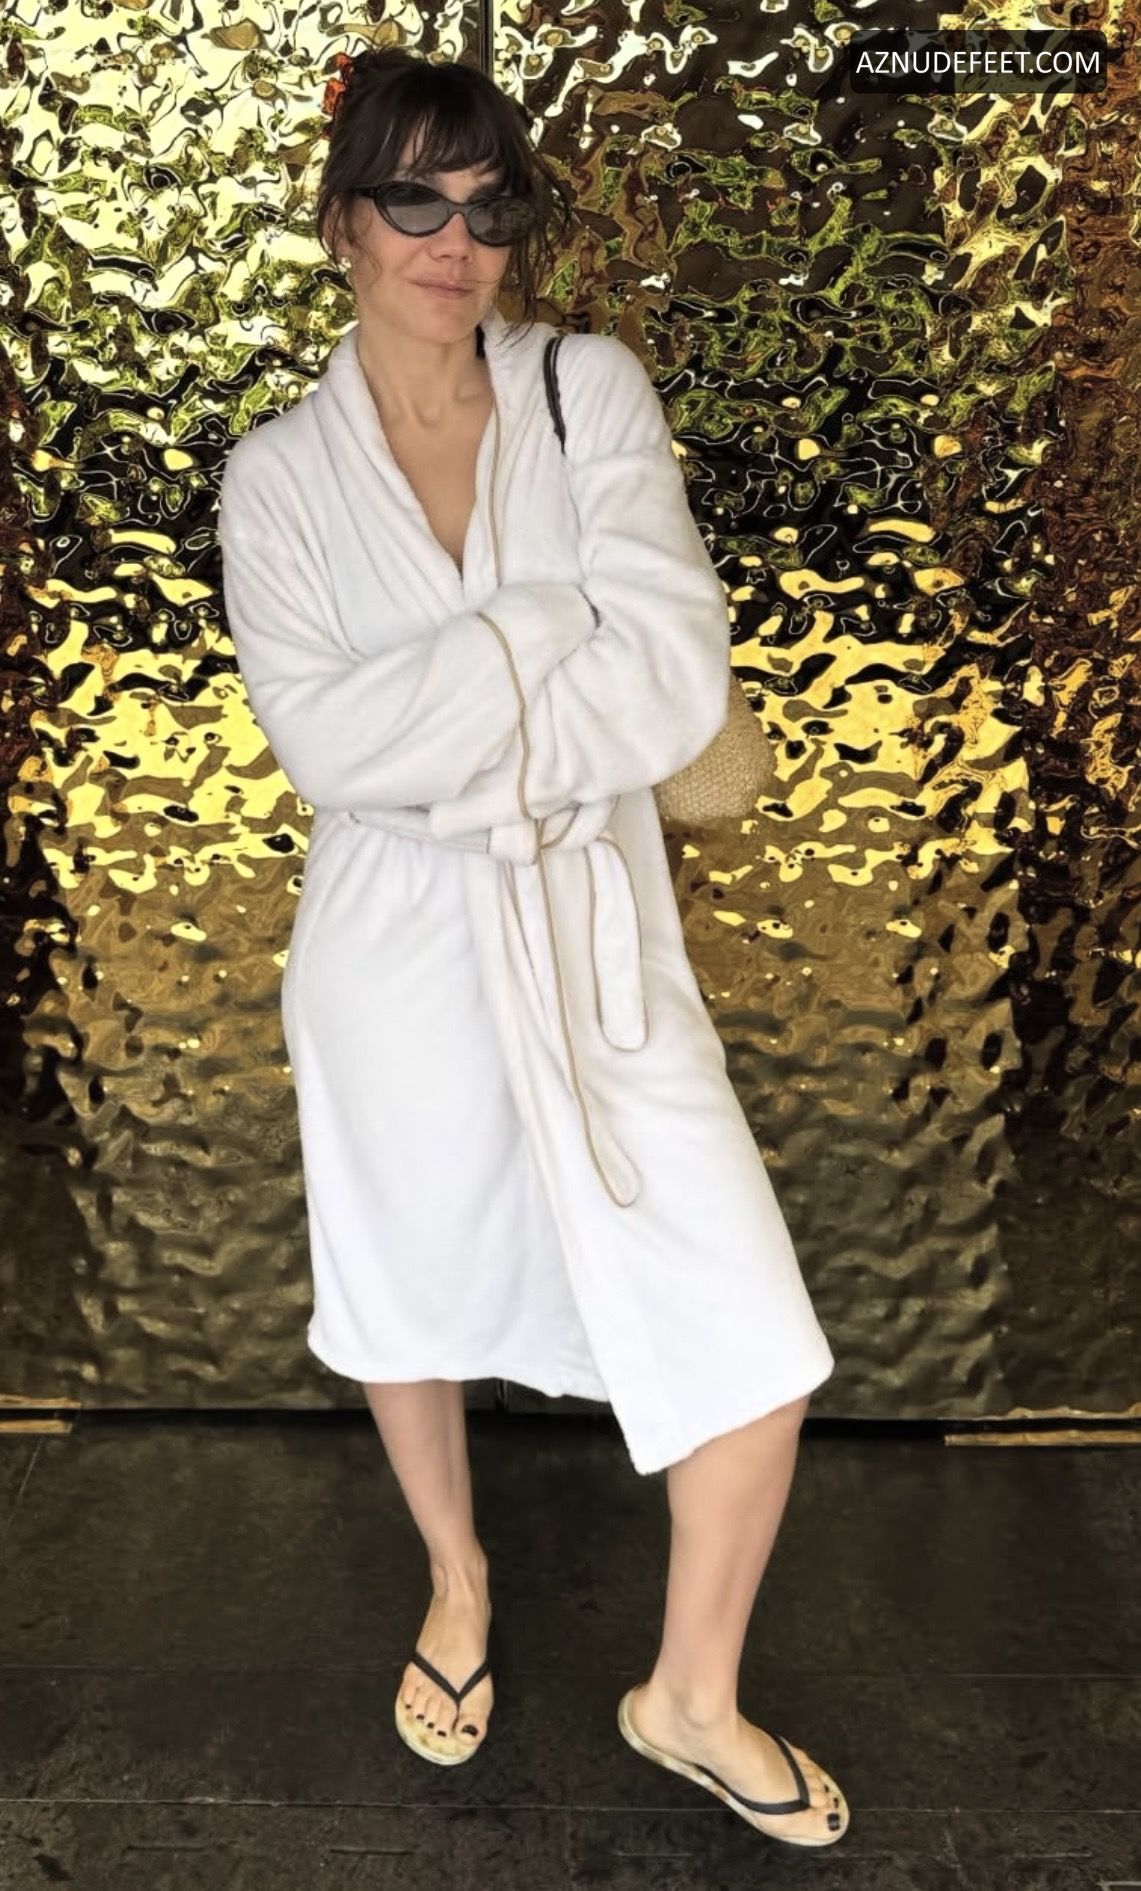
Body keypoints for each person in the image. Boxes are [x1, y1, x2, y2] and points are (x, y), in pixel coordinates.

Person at [218, 46, 848, 1848]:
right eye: (412, 198)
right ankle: (459, 1578)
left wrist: (466, 717)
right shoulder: (278, 477)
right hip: (391, 952)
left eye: (490, 204)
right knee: (401, 1283)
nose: (455, 238)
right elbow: (326, 748)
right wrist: (537, 627)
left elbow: (670, 679)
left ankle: (688, 1696)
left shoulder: (588, 392)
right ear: (343, 223)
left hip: (589, 924)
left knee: (752, 1332)